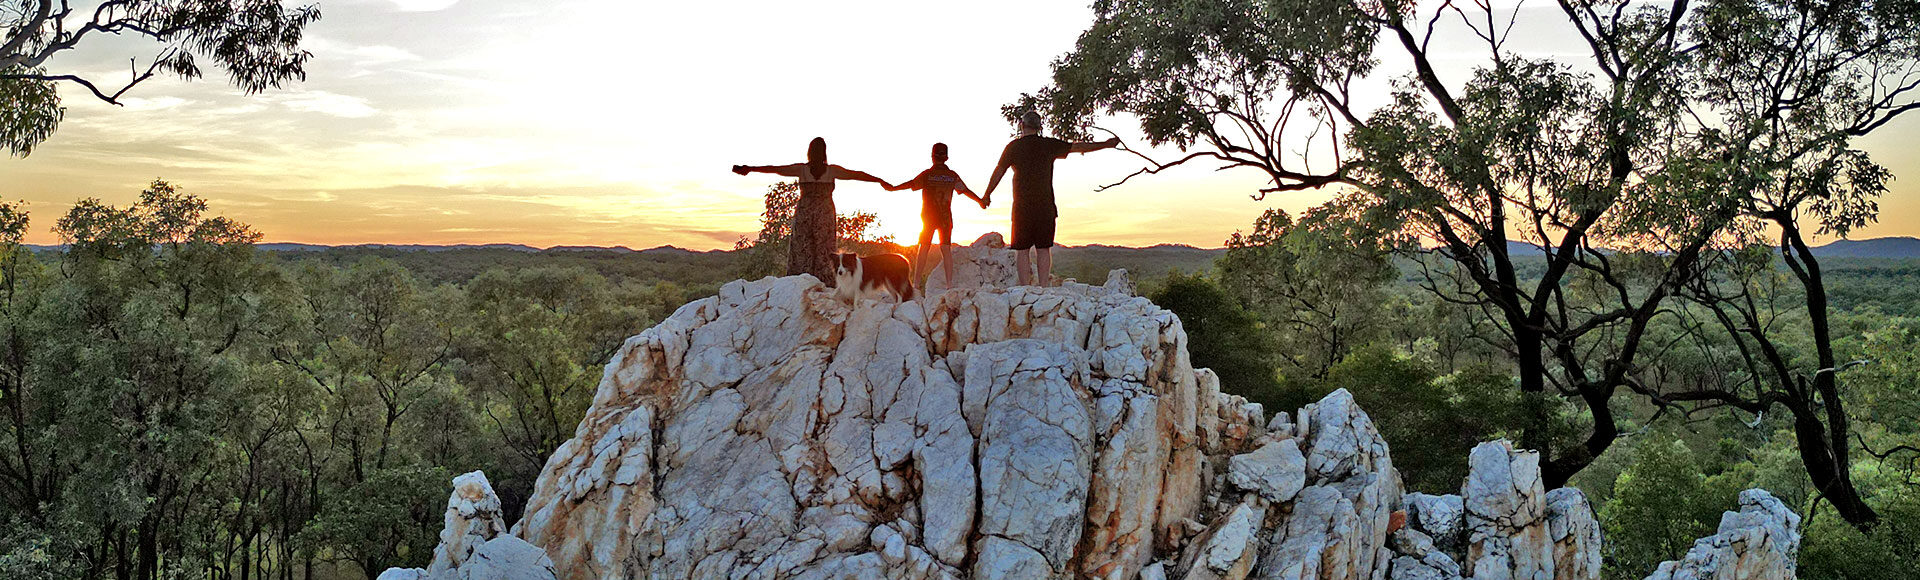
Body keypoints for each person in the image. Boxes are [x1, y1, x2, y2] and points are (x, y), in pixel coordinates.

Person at [979, 111, 1120, 286]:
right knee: (1043, 248)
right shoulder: (1048, 145)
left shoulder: (1013, 147)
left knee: (1022, 250)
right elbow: (1078, 147)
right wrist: (1106, 144)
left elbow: (999, 171)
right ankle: (1044, 286)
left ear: (1021, 126)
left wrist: (987, 194)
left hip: (1023, 206)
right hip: (1045, 205)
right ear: (1039, 127)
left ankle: (1025, 288)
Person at [733, 137, 891, 285]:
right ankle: (826, 283)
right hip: (824, 214)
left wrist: (750, 168)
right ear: (824, 152)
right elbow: (856, 175)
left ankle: (799, 282)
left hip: (805, 213)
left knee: (802, 248)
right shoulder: (832, 171)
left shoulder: (801, 169)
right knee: (825, 248)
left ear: (809, 152)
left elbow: (775, 169)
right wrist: (879, 180)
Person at [883, 143, 983, 290]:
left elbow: (911, 184)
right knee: (946, 249)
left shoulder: (927, 175)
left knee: (924, 248)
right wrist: (980, 201)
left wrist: (893, 188)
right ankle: (949, 285)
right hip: (945, 218)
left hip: (928, 218)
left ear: (932, 157)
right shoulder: (952, 176)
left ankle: (916, 284)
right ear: (946, 158)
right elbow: (966, 190)